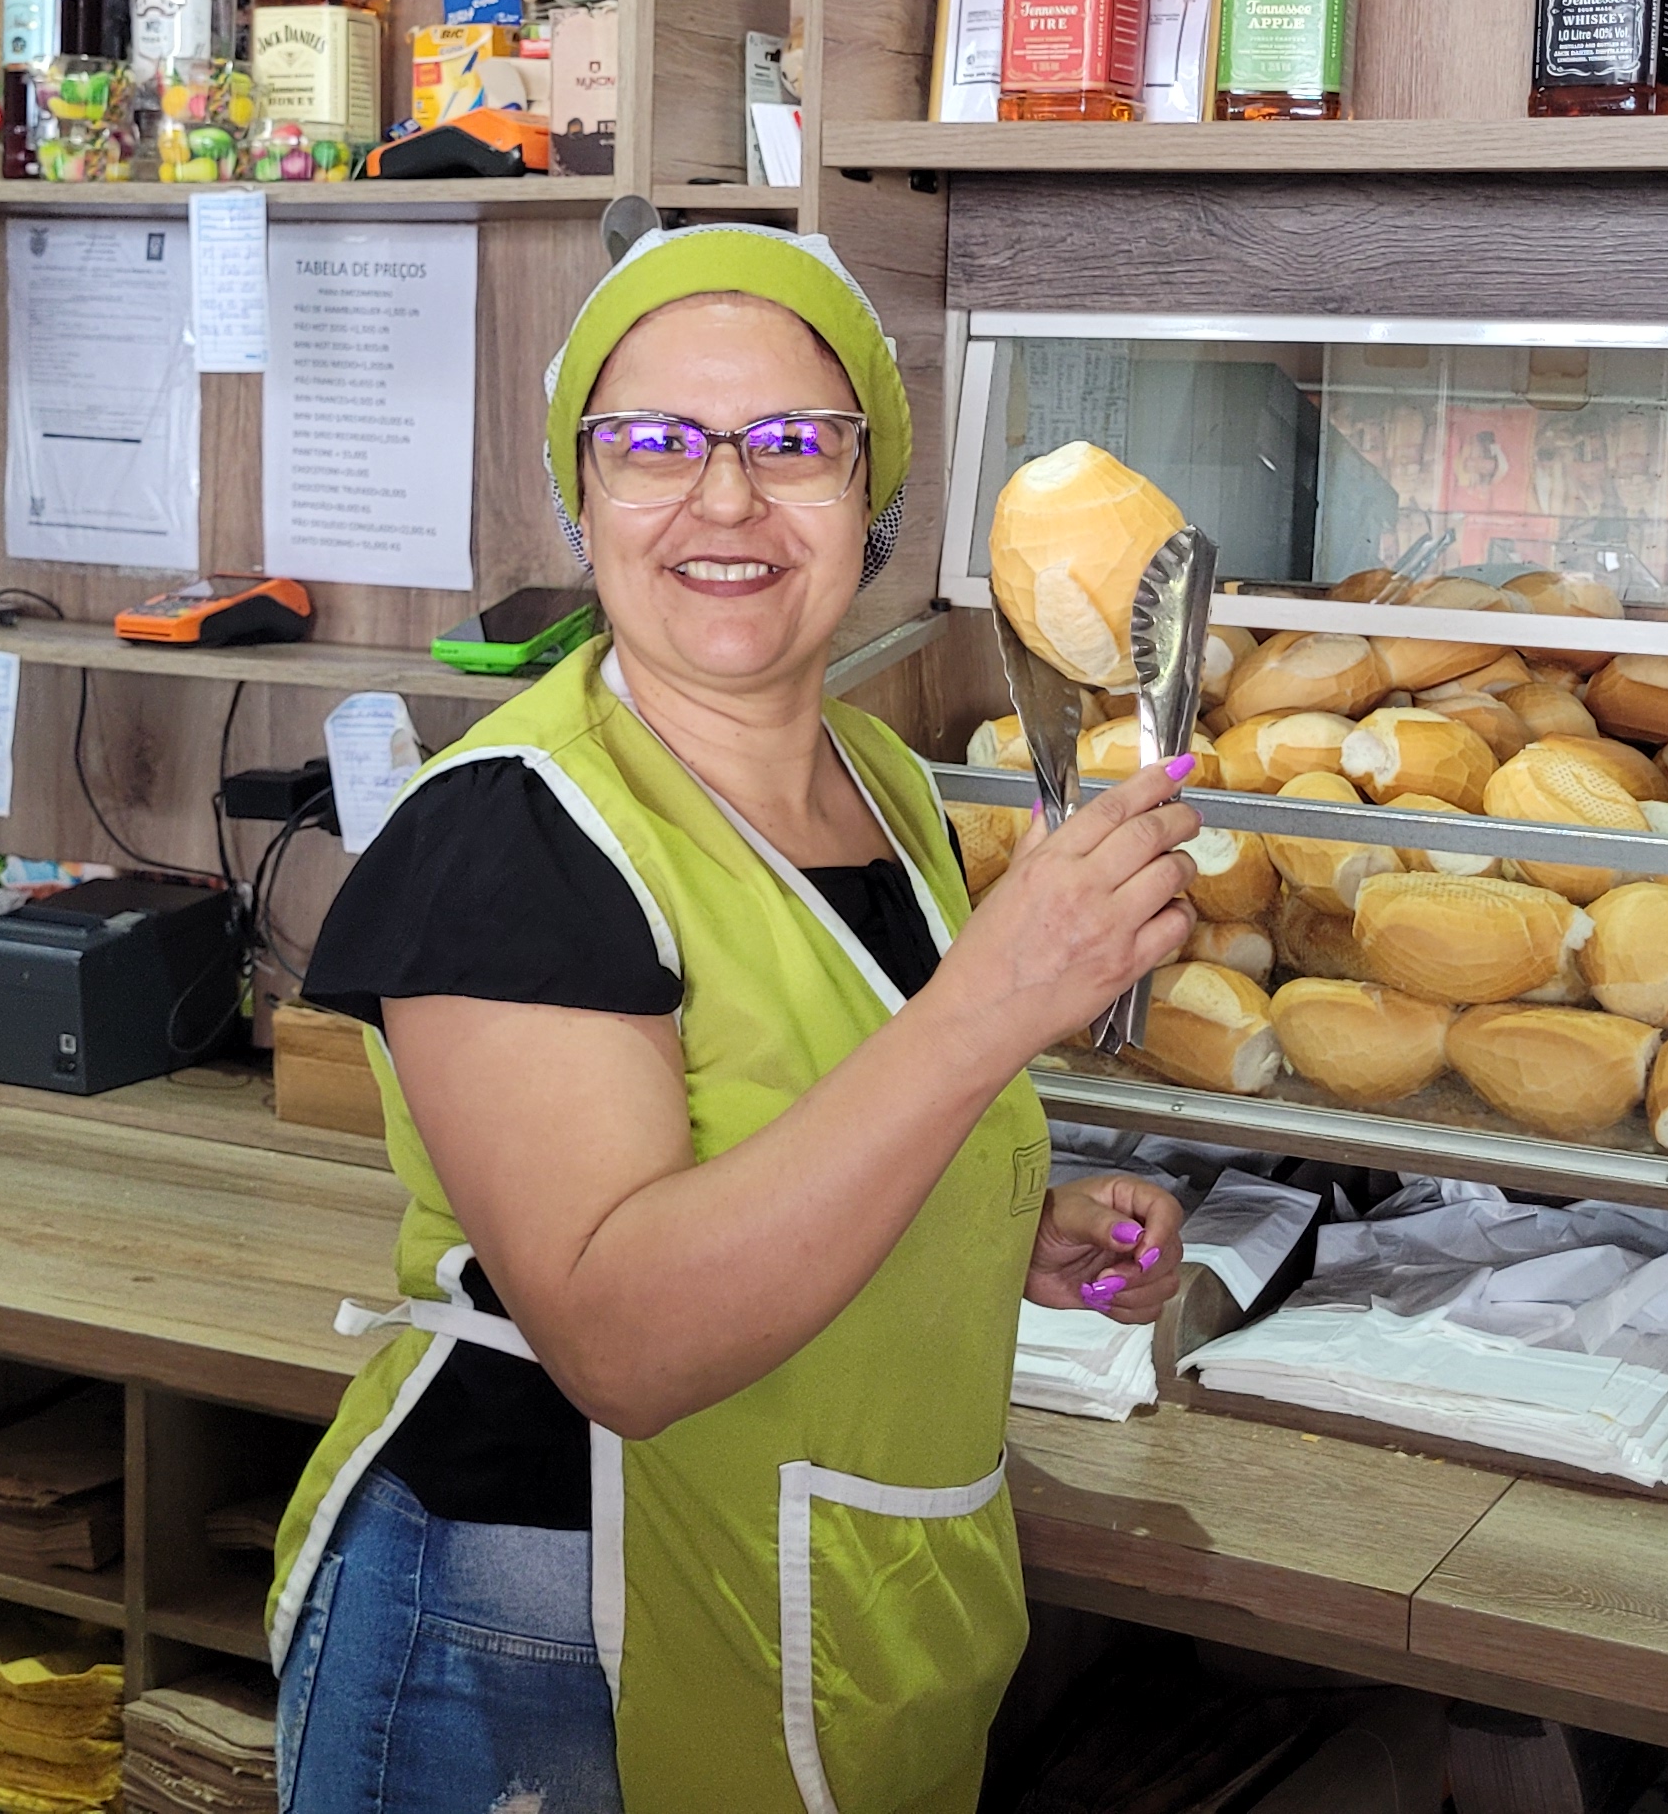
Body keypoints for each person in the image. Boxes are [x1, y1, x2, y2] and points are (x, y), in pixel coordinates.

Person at [271, 224, 1201, 1814]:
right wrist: (989, 1009)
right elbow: (622, 1337)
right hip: (535, 1645)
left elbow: (813, 1115)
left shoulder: (884, 783)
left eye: (792, 445)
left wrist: (999, 1214)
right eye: (653, 446)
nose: (723, 500)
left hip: (848, 1598)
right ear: (583, 496)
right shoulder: (508, 830)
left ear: (872, 499)